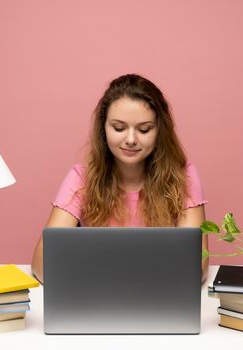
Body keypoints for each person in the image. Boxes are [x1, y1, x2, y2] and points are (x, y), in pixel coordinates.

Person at [31, 74, 208, 283]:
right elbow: (41, 262)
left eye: (144, 129)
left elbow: (195, 264)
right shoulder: (82, 178)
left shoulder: (182, 175)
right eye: (119, 128)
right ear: (103, 129)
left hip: (156, 298)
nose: (131, 139)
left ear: (159, 130)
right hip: (97, 294)